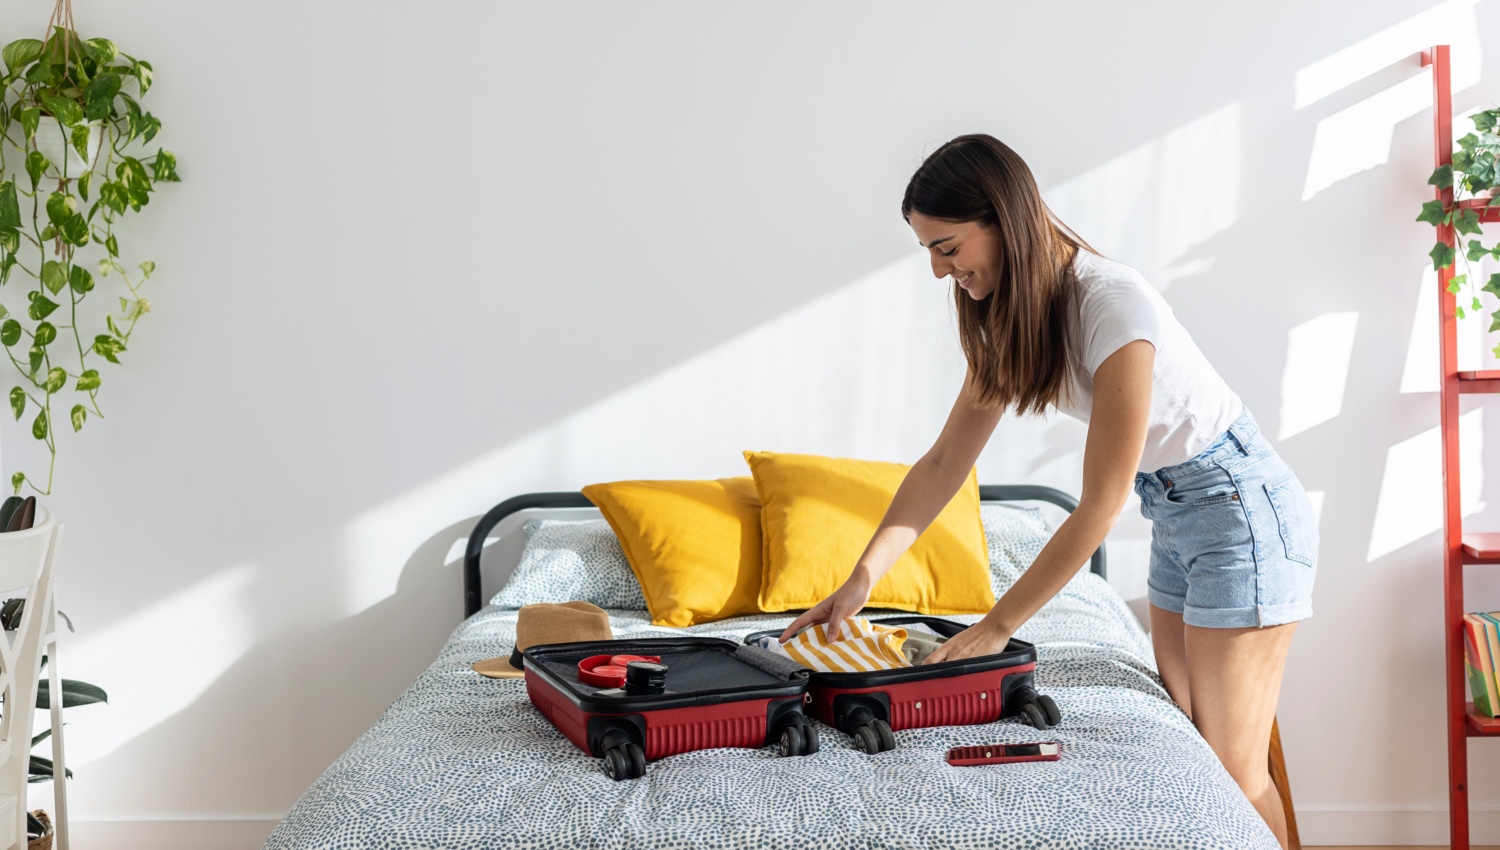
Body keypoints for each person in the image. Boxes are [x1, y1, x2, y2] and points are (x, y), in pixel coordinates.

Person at [777, 133, 1316, 849]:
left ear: (1003, 219)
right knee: (1196, 743)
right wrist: (861, 579)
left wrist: (996, 627)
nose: (941, 271)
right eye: (929, 253)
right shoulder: (1013, 313)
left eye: (948, 247)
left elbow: (1099, 505)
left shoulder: (1111, 306)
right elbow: (943, 464)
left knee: (1231, 772)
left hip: (1238, 511)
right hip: (1179, 512)